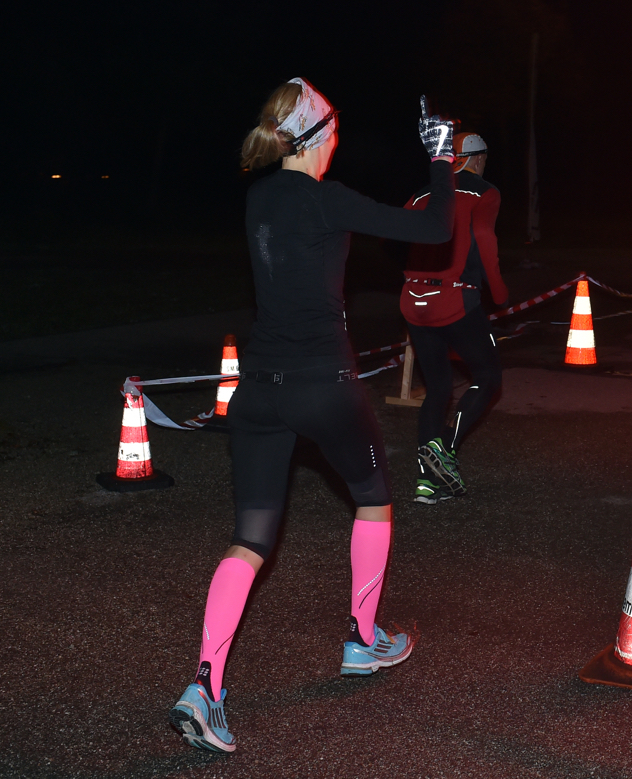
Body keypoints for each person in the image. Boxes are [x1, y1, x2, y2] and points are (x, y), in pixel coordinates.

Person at [168, 79, 456, 753]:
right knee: (375, 500)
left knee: (249, 540)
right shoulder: (326, 199)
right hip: (324, 385)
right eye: (335, 134)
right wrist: (440, 159)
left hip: (258, 393)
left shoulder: (259, 197)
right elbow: (436, 228)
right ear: (321, 136)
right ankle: (362, 640)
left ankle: (204, 687)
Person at [400, 131, 508, 504]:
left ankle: (426, 484)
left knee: (439, 389)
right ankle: (443, 449)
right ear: (476, 159)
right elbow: (485, 240)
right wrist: (500, 293)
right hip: (455, 300)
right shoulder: (485, 191)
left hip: (413, 300)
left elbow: (394, 237)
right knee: (488, 377)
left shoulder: (420, 194)